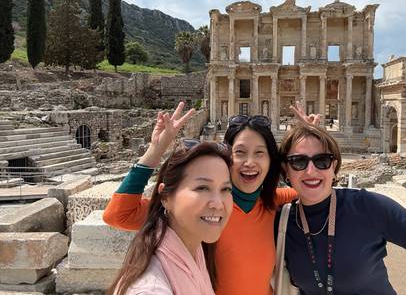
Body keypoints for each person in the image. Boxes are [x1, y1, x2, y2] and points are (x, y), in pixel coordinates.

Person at [104, 102, 313, 295]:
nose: (250, 162)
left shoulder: (273, 201)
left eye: (260, 153)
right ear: (226, 158)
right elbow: (119, 215)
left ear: (271, 161)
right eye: (240, 152)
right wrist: (155, 151)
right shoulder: (200, 210)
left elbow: (315, 189)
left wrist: (309, 145)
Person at [275, 123, 406, 295]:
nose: (311, 170)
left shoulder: (367, 207)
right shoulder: (283, 221)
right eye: (299, 162)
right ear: (286, 171)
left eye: (321, 160)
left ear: (334, 167)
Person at [109, 140, 233, 295]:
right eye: (202, 188)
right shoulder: (150, 289)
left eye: (226, 189)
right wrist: (155, 148)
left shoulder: (194, 246)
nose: (218, 204)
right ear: (166, 197)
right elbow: (118, 214)